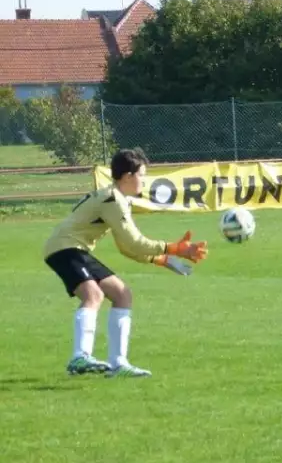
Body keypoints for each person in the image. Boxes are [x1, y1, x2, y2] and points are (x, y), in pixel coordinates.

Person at [43, 148, 208, 378]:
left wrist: (161, 260)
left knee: (122, 294)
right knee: (94, 295)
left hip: (73, 248)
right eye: (142, 174)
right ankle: (80, 356)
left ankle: (119, 364)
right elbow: (134, 241)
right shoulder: (113, 200)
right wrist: (174, 248)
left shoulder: (117, 199)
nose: (144, 179)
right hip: (65, 248)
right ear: (128, 176)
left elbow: (126, 247)